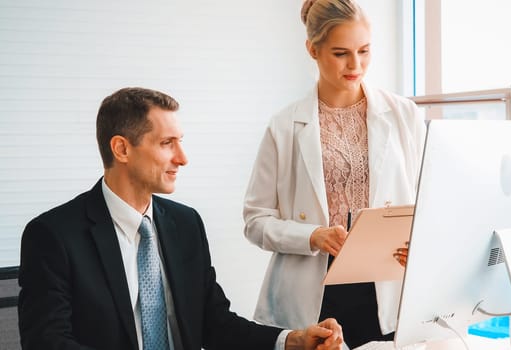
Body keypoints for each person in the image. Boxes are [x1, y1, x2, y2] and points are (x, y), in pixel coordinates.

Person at [18, 87, 344, 350]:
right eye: (166, 143)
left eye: (181, 142)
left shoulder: (185, 224)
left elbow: (215, 324)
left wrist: (292, 340)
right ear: (121, 149)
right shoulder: (53, 235)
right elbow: (47, 342)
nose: (182, 158)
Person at [242, 0, 426, 348]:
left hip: (387, 287)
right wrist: (313, 236)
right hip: (315, 291)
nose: (355, 65)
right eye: (341, 53)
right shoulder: (284, 126)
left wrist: (417, 241)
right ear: (312, 49)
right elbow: (255, 221)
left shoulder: (404, 115)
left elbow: (427, 202)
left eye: (364, 51)